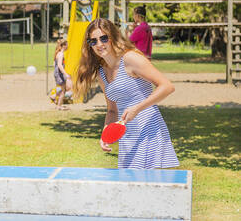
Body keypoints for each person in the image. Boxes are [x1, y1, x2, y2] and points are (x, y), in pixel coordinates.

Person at [74, 18, 179, 169]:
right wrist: (106, 132)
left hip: (148, 130)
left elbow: (167, 86)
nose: (99, 44)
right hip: (128, 136)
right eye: (93, 41)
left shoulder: (130, 59)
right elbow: (112, 109)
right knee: (130, 187)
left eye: (104, 38)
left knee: (146, 187)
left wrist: (137, 108)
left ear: (112, 37)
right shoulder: (101, 73)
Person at [52, 39, 71, 110]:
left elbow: (54, 64)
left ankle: (54, 96)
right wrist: (65, 74)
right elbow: (59, 65)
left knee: (63, 88)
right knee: (63, 90)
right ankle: (59, 106)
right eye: (67, 45)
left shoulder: (57, 53)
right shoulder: (61, 54)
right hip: (59, 74)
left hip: (57, 73)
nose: (67, 46)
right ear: (63, 46)